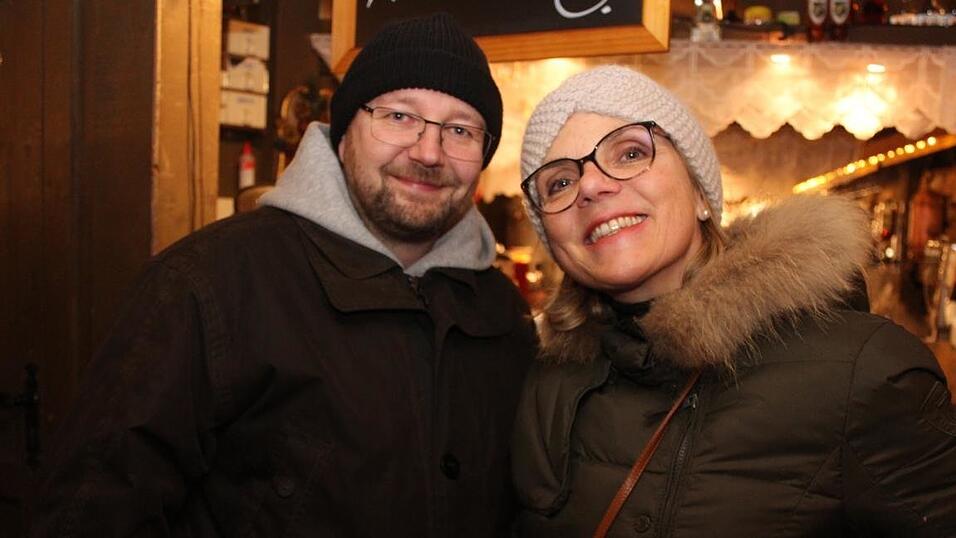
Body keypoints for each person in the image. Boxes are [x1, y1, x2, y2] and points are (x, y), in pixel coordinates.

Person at [36, 13, 536, 537]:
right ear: (343, 136)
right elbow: (89, 514)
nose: (428, 152)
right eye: (398, 117)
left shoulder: (503, 313)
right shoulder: (208, 286)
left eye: (459, 130)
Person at [511, 65, 956, 537]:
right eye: (558, 183)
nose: (592, 186)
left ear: (702, 193)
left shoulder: (867, 370)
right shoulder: (547, 378)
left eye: (630, 153)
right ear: (553, 238)